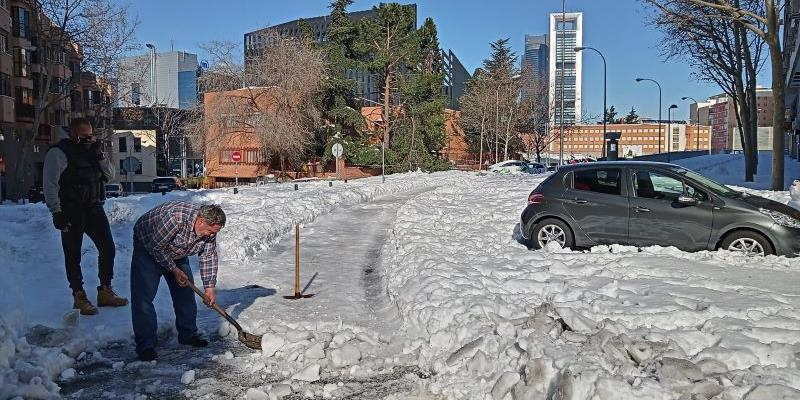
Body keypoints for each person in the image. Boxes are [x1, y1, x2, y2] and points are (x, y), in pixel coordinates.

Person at [43, 118, 128, 315]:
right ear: (73, 134)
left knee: (108, 248)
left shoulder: (93, 152)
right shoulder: (59, 152)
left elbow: (110, 175)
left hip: (94, 208)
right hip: (71, 211)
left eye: (91, 135)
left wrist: (99, 156)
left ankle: (105, 291)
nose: (89, 139)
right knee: (73, 255)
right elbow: (50, 184)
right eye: (84, 135)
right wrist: (56, 212)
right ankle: (79, 295)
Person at [131, 201, 225, 361]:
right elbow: (157, 247)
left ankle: (188, 334)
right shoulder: (176, 218)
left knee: (185, 294)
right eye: (210, 231)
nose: (211, 236)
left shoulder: (209, 231)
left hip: (177, 251)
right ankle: (145, 345)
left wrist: (209, 288)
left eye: (214, 233)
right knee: (143, 298)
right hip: (148, 247)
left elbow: (208, 256)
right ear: (201, 221)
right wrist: (174, 270)